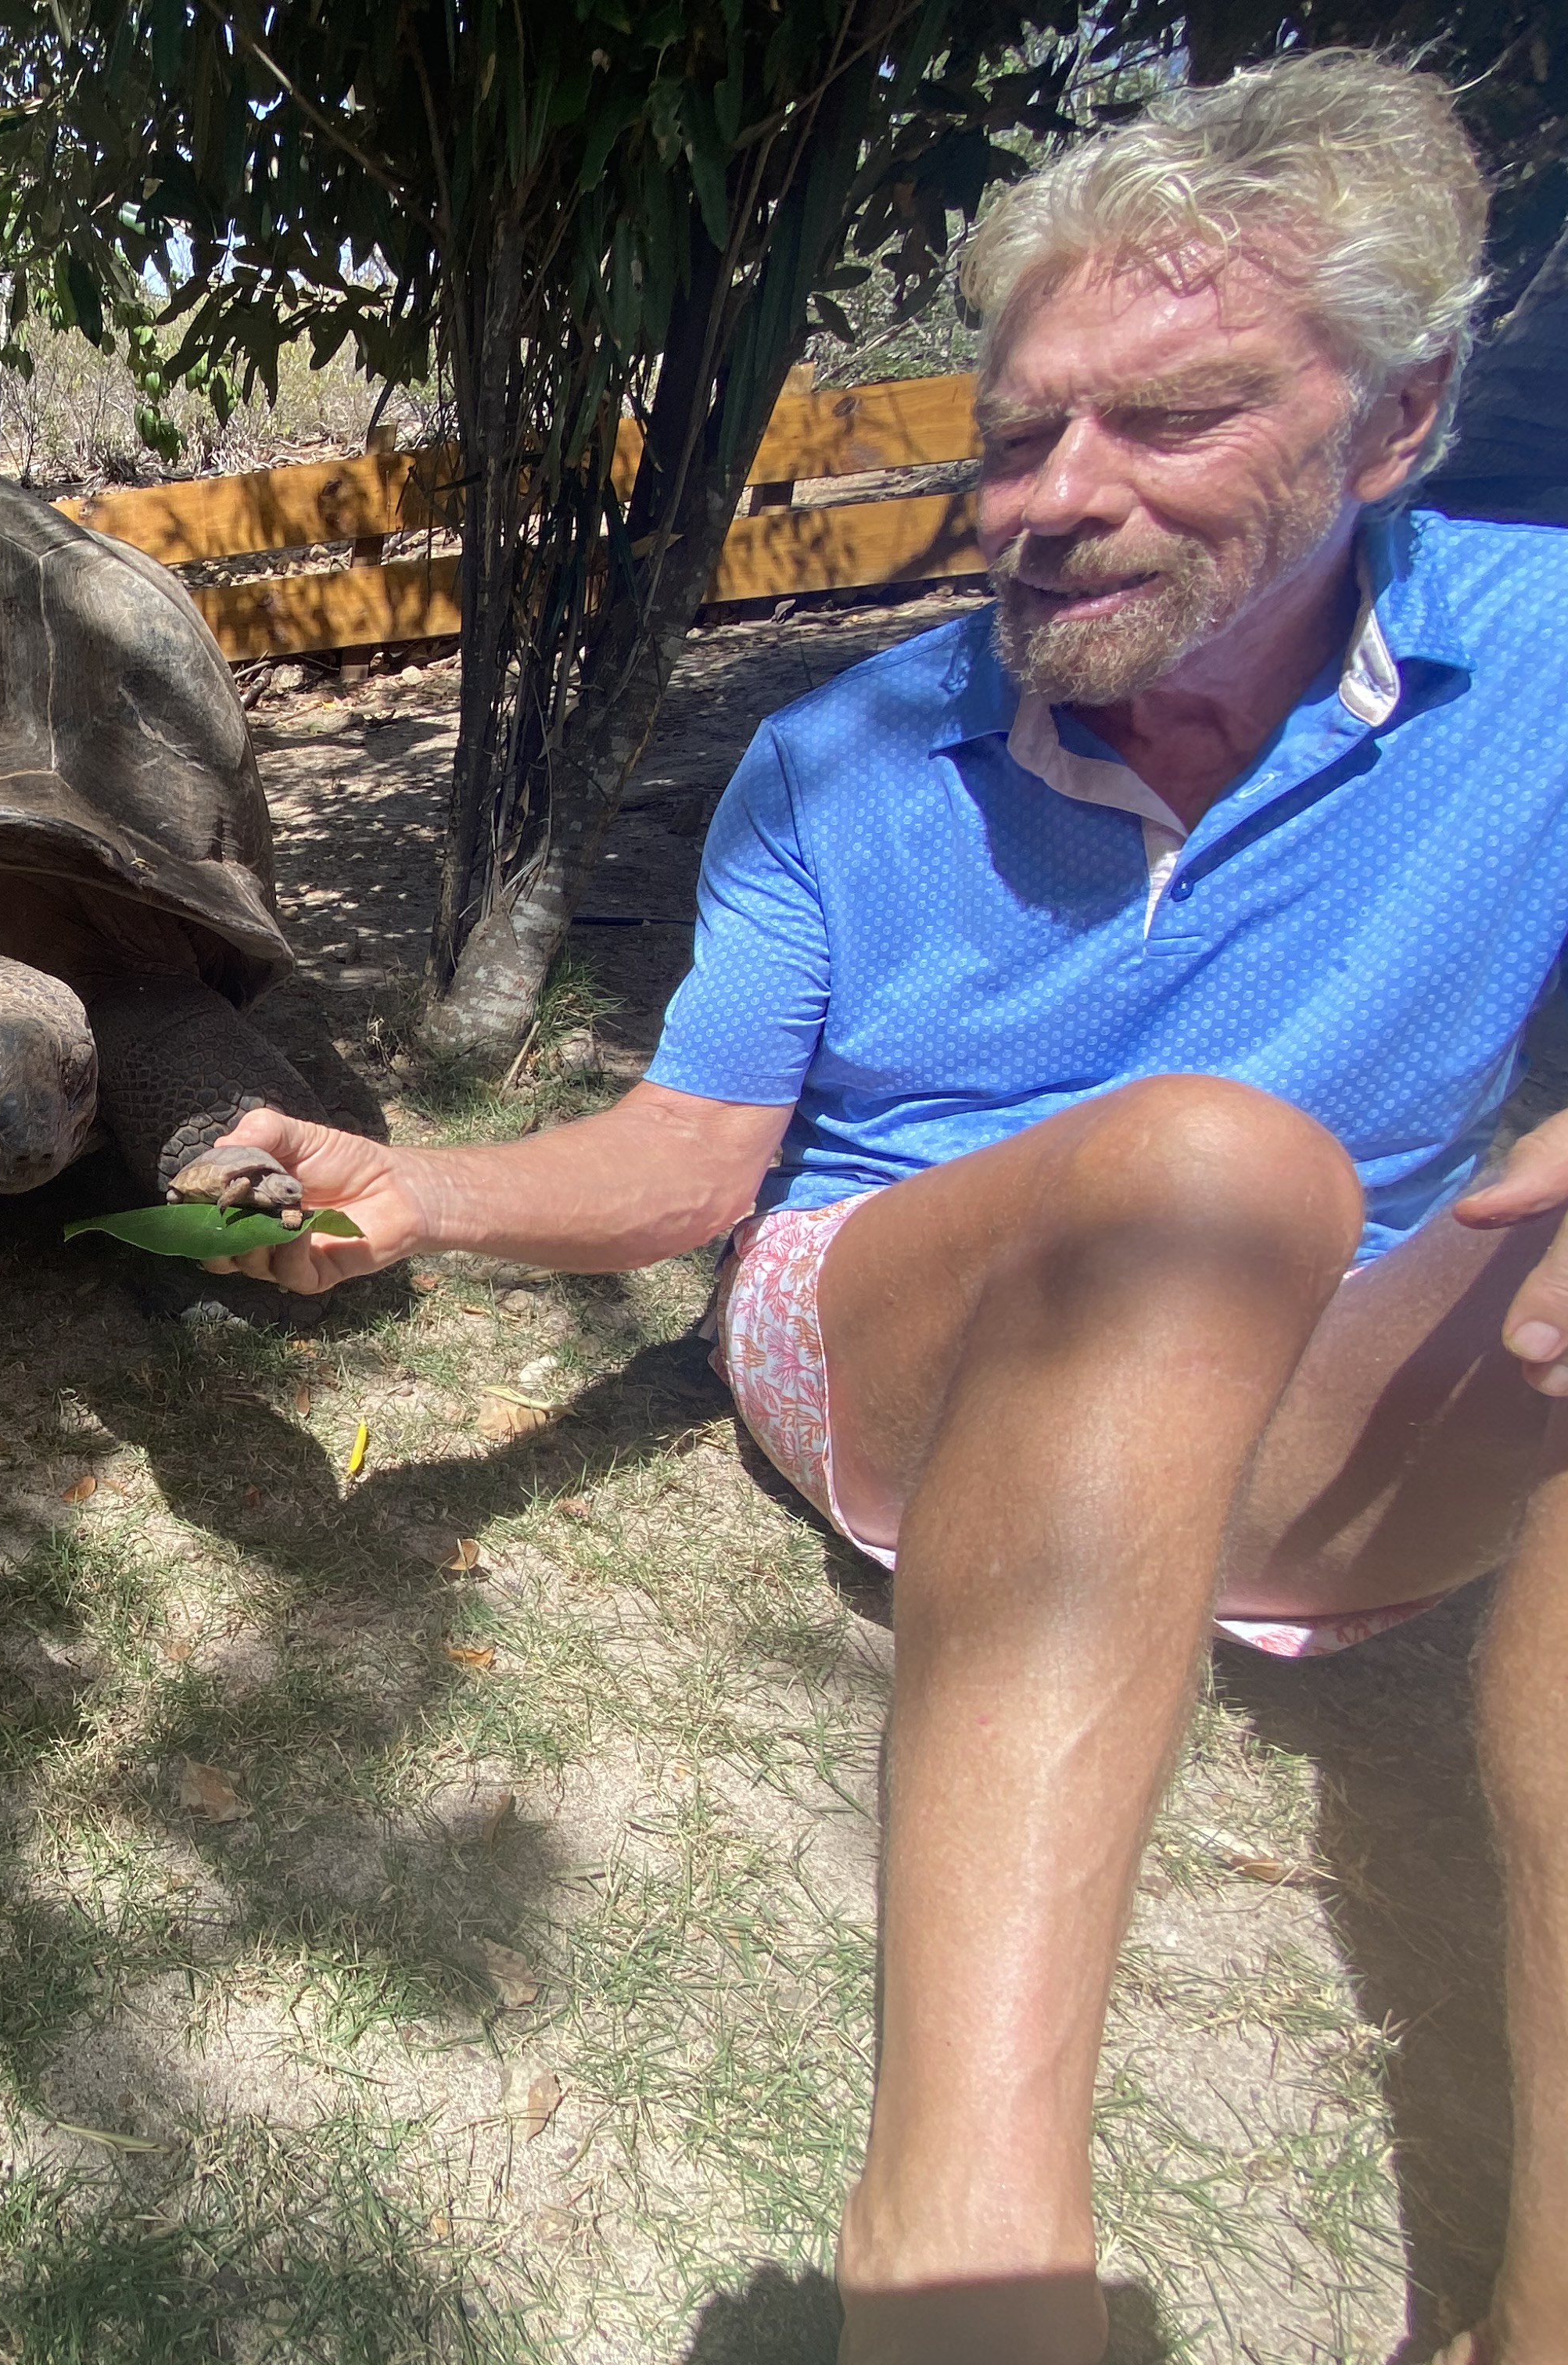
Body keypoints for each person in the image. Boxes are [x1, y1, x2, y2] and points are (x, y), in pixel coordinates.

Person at [211, 52, 1567, 2365]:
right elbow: (696, 1157)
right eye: (1019, 432)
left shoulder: (1537, 659)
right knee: (1207, 1163)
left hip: (1327, 1390)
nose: (1056, 499)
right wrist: (422, 1190)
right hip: (905, 1322)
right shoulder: (847, 759)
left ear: (1399, 418)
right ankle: (965, 2268)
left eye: (1174, 419)